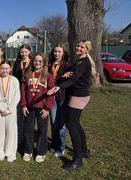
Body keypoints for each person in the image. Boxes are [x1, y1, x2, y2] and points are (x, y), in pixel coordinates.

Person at [47, 40, 97, 170]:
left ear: (87, 50)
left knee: (71, 125)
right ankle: (84, 151)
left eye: (82, 47)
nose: (79, 48)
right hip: (78, 95)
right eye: (78, 45)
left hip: (78, 97)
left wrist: (59, 87)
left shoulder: (83, 62)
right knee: (76, 124)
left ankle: (77, 160)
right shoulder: (79, 61)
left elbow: (74, 80)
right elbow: (74, 77)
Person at [20, 52, 55, 163]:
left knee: (42, 130)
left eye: (40, 61)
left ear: (44, 62)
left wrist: (47, 108)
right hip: (29, 107)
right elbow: (23, 91)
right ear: (32, 61)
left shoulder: (49, 76)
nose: (37, 62)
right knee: (28, 130)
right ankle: (28, 150)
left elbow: (51, 93)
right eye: (35, 60)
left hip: (42, 108)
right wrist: (24, 105)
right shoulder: (28, 74)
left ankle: (40, 152)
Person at [0, 61, 20, 162]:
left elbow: (17, 96)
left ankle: (10, 152)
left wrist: (9, 109)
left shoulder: (14, 80)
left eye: (6, 68)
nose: (4, 70)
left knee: (11, 131)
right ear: (0, 69)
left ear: (10, 69)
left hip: (11, 110)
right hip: (0, 110)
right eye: (2, 68)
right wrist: (1, 108)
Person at [48, 43, 70, 157]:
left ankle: (61, 148)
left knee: (61, 124)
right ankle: (54, 144)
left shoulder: (67, 65)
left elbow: (69, 81)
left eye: (59, 52)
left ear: (63, 53)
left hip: (62, 97)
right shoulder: (49, 65)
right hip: (51, 97)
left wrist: (63, 78)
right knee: (53, 122)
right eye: (55, 51)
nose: (57, 53)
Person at [12, 44, 32, 153]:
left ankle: (28, 140)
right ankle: (19, 140)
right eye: (21, 52)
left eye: (25, 52)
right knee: (19, 118)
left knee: (29, 119)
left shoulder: (33, 63)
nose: (23, 54)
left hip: (31, 93)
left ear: (29, 52)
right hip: (19, 93)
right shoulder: (16, 64)